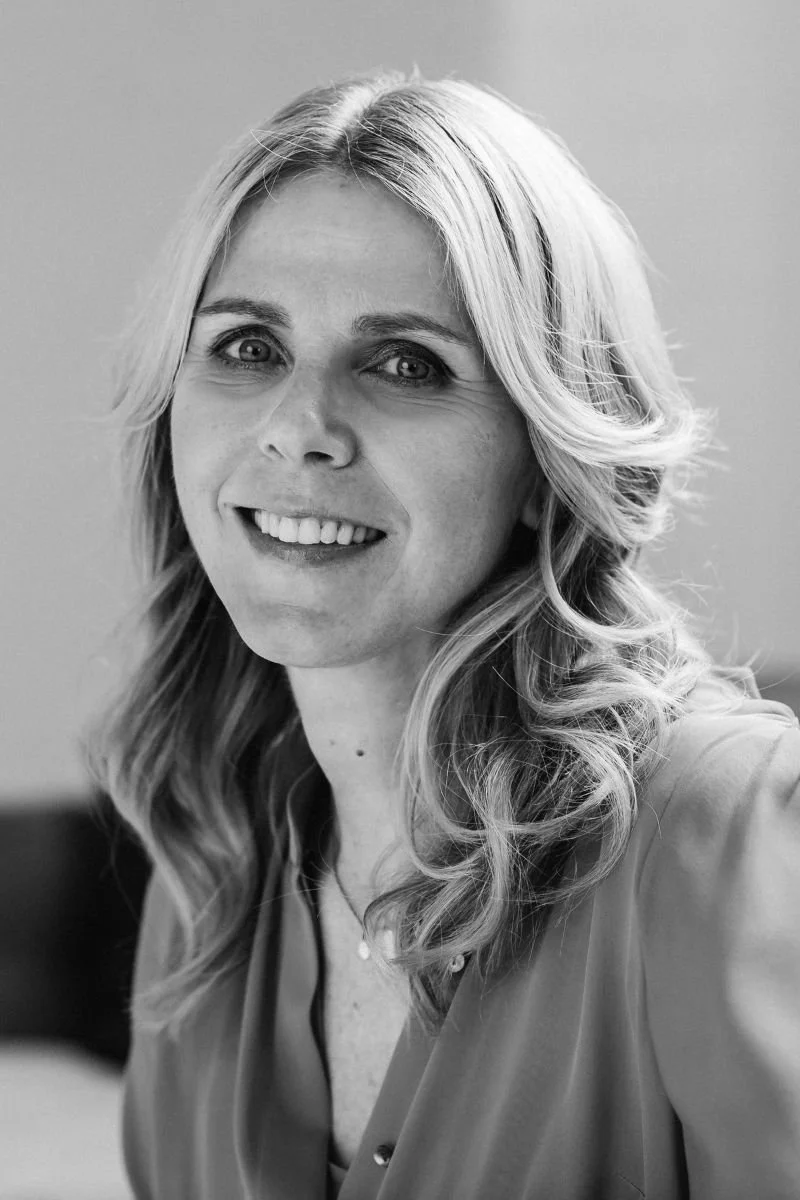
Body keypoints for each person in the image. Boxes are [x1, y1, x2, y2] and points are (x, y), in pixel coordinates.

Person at [82, 70, 800, 1200]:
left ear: (548, 458)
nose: (300, 427)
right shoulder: (209, 864)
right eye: (248, 347)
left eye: (405, 364)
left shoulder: (713, 827)